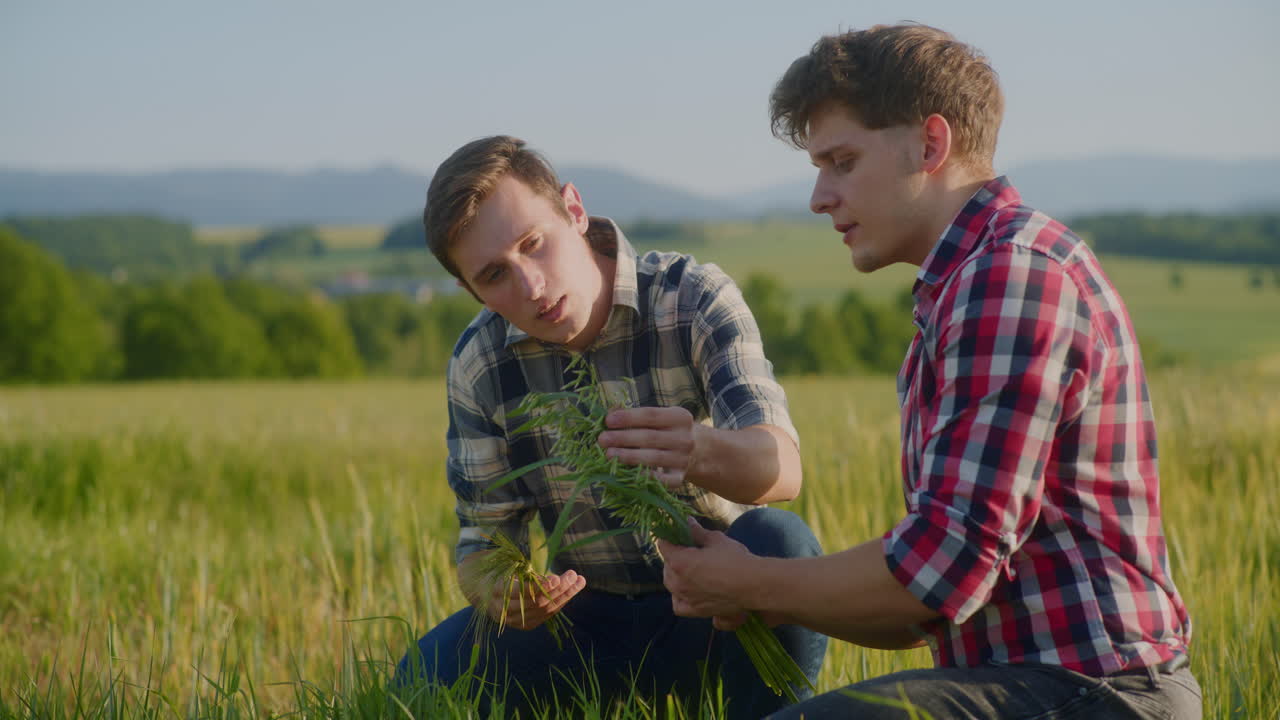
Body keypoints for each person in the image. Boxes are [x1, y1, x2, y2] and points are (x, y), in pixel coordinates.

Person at [658, 24, 1200, 719]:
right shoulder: (966, 284)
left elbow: (939, 571)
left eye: (843, 161)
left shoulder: (1010, 275)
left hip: (1098, 693)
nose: (820, 196)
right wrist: (746, 586)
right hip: (1031, 685)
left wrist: (753, 583)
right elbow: (924, 613)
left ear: (931, 144)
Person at [394, 135, 826, 718]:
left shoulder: (691, 298)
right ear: (469, 290)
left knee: (781, 543)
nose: (531, 287)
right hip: (585, 617)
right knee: (423, 675)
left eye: (534, 244)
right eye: (495, 274)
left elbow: (782, 470)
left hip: (720, 604)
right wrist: (499, 593)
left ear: (574, 210)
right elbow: (483, 539)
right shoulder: (480, 361)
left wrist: (699, 450)